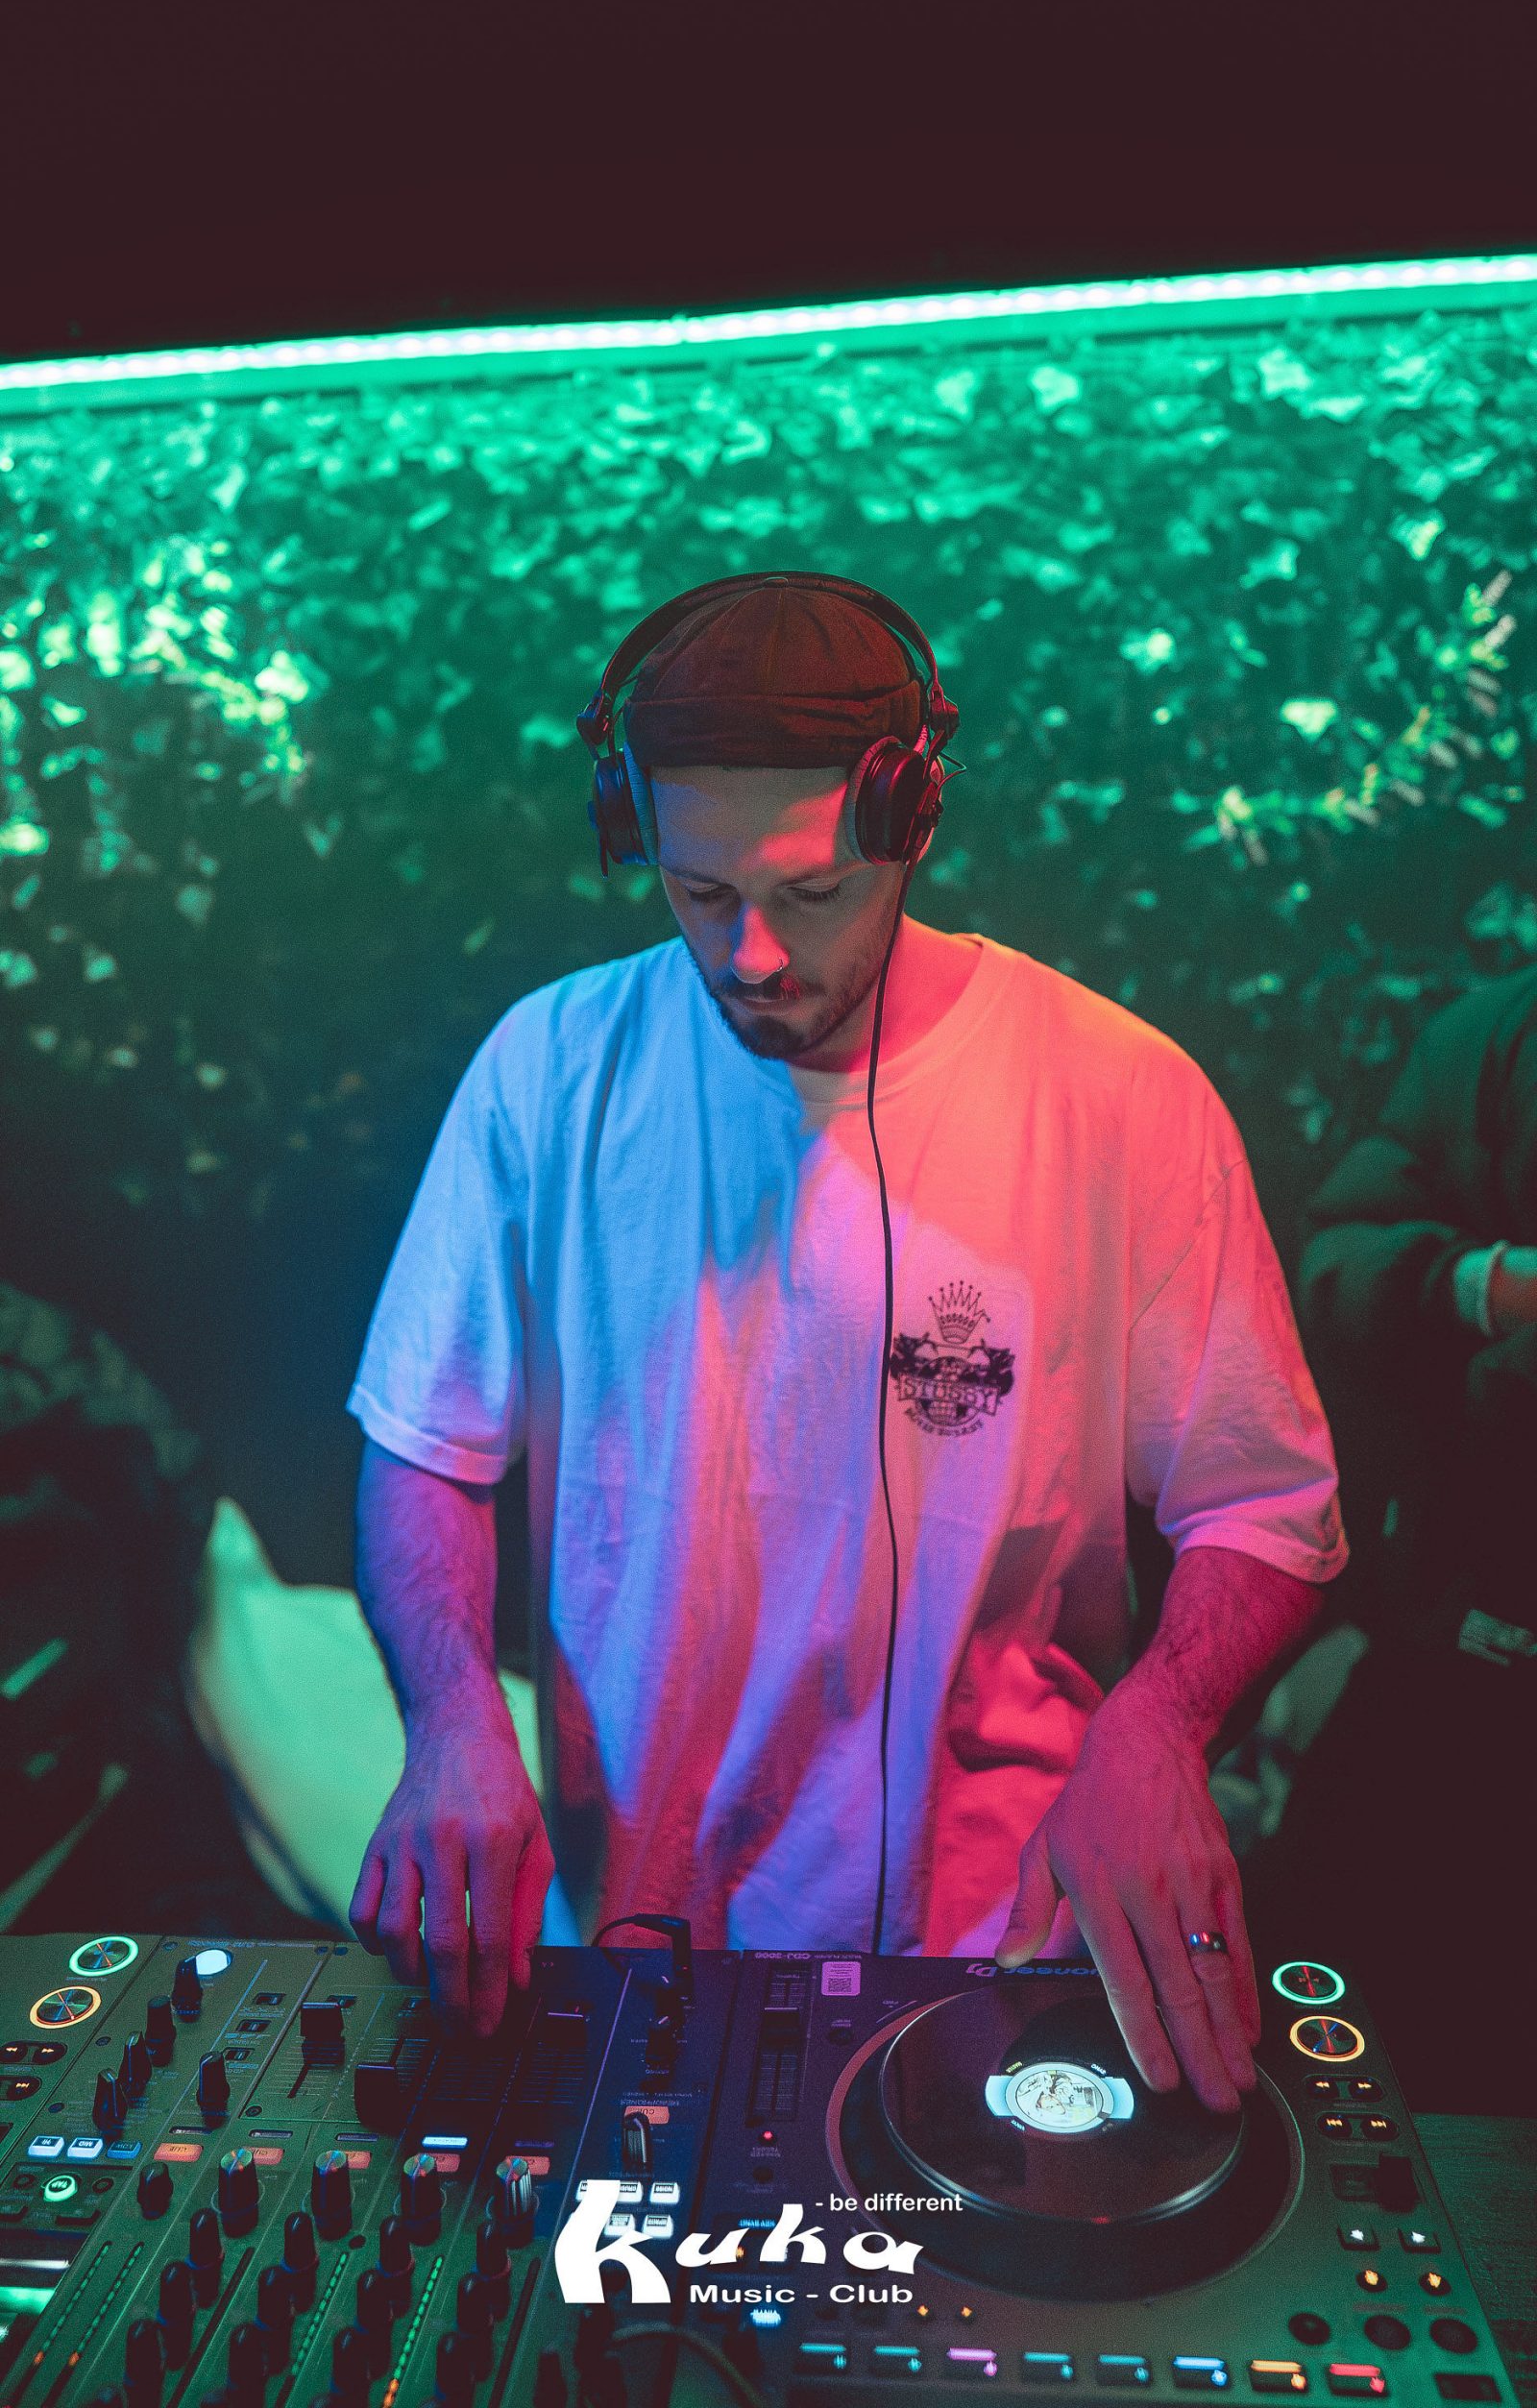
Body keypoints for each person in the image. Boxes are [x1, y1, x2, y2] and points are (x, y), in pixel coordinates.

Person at [343, 572, 1348, 2118]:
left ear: (909, 823)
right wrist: (450, 1719)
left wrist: (1162, 1726)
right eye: (699, 893)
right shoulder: (546, 1071)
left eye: (810, 895)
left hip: (1010, 1956)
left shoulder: (1118, 1098)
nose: (750, 952)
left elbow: (1266, 1509)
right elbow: (425, 1447)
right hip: (634, 1944)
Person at [1247, 966, 1537, 2103]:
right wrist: (1485, 1284)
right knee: (1334, 2053)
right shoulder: (1494, 1037)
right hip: (1454, 1666)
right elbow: (1332, 1262)